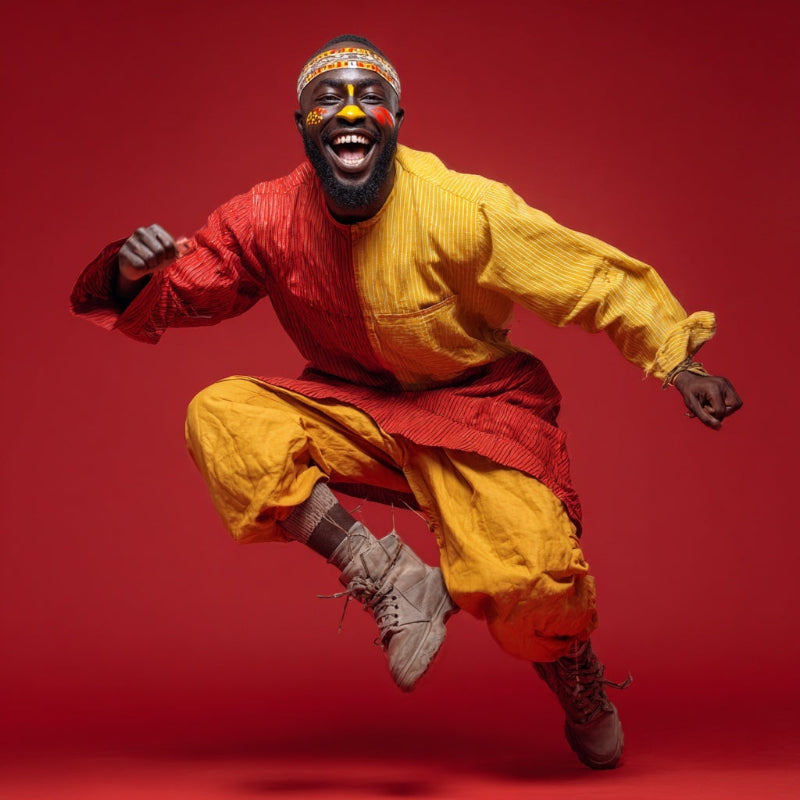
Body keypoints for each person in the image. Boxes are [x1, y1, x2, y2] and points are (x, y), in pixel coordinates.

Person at [71, 34, 742, 770]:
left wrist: (675, 356)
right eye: (329, 99)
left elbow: (587, 278)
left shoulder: (463, 209)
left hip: (479, 414)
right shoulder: (264, 216)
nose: (350, 109)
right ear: (302, 124)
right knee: (221, 414)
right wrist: (138, 276)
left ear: (396, 118)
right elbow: (193, 285)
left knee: (524, 582)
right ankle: (387, 575)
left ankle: (570, 666)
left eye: (370, 98)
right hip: (354, 410)